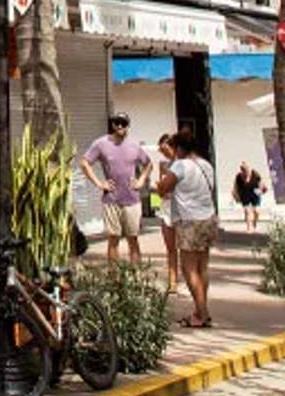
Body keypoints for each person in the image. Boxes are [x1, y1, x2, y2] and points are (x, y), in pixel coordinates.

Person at [157, 131, 218, 328]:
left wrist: (159, 184)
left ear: (179, 148)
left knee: (189, 268)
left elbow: (163, 189)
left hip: (189, 220)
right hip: (208, 218)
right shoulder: (206, 165)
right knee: (203, 267)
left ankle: (202, 313)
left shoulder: (180, 165)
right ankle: (201, 308)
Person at [80, 113, 151, 266]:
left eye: (123, 123)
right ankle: (114, 281)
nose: (119, 126)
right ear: (112, 125)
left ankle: (136, 277)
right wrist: (99, 183)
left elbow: (148, 163)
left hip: (132, 200)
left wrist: (141, 180)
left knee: (133, 238)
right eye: (116, 122)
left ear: (128, 126)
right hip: (111, 200)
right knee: (113, 239)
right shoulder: (101, 143)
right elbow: (84, 163)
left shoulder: (134, 145)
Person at [155, 134, 181, 294]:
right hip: (166, 207)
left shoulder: (182, 165)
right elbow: (162, 190)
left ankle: (187, 278)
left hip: (181, 209)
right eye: (161, 150)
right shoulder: (167, 166)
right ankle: (172, 281)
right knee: (170, 248)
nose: (164, 153)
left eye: (166, 150)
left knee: (185, 248)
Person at [233, 162, 264, 232]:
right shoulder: (238, 177)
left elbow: (261, 183)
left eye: (247, 170)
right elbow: (235, 186)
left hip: (255, 194)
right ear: (241, 170)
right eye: (243, 171)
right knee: (247, 211)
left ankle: (254, 223)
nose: (246, 172)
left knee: (256, 211)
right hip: (245, 194)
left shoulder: (255, 174)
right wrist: (235, 196)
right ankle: (249, 228)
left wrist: (261, 190)